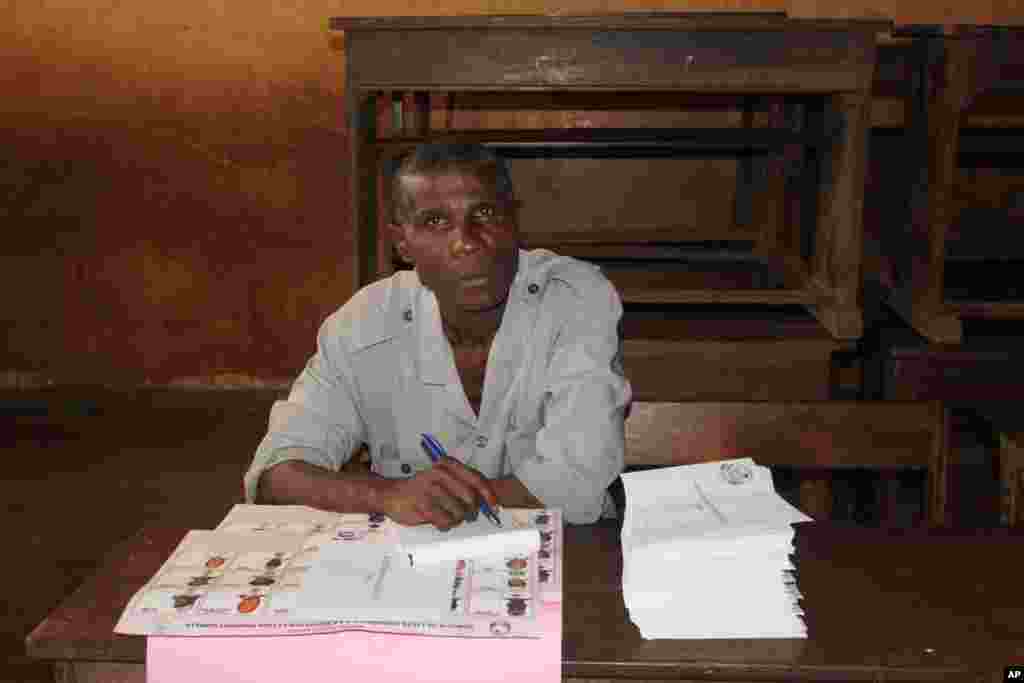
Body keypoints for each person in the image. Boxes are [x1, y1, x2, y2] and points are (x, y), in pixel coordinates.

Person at [244, 144, 631, 528]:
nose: (466, 240)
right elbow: (276, 475)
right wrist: (388, 496)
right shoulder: (365, 323)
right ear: (402, 243)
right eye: (435, 222)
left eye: (485, 213)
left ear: (514, 221)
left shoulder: (573, 298)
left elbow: (579, 484)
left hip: (571, 554)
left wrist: (431, 501)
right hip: (413, 564)